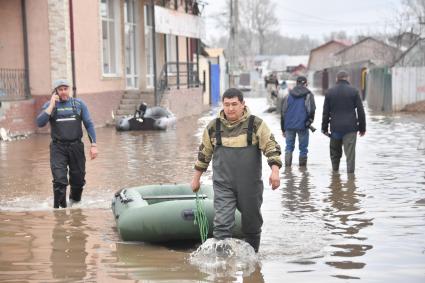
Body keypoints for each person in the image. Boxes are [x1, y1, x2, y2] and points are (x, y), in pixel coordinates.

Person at [191, 88, 282, 252]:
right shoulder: (213, 127)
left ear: (242, 105)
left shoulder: (256, 125)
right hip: (223, 184)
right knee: (222, 224)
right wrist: (196, 178)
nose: (230, 109)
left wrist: (274, 171)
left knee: (252, 224)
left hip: (250, 186)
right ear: (222, 105)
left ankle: (253, 263)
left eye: (234, 104)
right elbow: (204, 154)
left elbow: (271, 147)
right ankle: (222, 269)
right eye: (227, 105)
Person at [36, 79, 98, 208]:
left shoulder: (79, 104)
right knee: (59, 181)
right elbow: (40, 123)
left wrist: (93, 145)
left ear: (69, 89)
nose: (63, 92)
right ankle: (60, 213)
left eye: (65, 89)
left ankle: (74, 205)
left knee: (78, 181)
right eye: (60, 89)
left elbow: (89, 124)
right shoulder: (49, 105)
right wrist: (52, 105)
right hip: (58, 148)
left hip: (76, 147)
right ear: (56, 91)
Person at [321, 70, 366, 174]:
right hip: (351, 128)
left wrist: (324, 128)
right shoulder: (354, 91)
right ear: (348, 78)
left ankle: (335, 174)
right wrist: (362, 128)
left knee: (335, 153)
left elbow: (325, 112)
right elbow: (360, 111)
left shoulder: (329, 92)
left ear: (337, 79)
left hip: (335, 128)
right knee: (350, 155)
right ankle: (351, 179)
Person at [280, 76, 316, 167]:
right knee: (303, 149)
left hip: (289, 126)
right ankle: (303, 172)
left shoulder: (288, 95)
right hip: (303, 126)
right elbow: (311, 110)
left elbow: (283, 113)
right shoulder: (308, 94)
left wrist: (283, 129)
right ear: (305, 83)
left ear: (297, 83)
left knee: (288, 147)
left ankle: (287, 171)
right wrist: (309, 121)